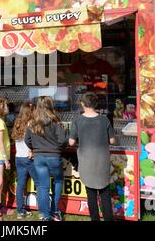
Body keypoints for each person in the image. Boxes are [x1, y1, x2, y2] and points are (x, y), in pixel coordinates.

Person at [68, 92, 116, 221]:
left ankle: (95, 218)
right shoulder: (104, 119)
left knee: (91, 193)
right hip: (102, 161)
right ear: (96, 104)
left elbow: (71, 142)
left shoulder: (78, 120)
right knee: (105, 192)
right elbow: (112, 141)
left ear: (82, 104)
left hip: (86, 161)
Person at [25, 96, 68, 221]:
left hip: (39, 157)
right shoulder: (56, 121)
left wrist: (35, 148)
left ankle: (45, 215)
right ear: (51, 105)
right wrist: (57, 148)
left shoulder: (32, 122)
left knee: (43, 187)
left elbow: (27, 140)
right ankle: (55, 211)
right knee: (58, 181)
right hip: (54, 156)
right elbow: (63, 140)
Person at [11, 102, 39, 219]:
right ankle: (43, 209)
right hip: (29, 157)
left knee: (21, 184)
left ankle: (20, 211)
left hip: (19, 157)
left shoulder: (17, 122)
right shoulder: (31, 124)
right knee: (39, 183)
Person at [59, 51, 124, 93]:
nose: (82, 58)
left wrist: (119, 84)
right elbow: (66, 70)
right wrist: (61, 72)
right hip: (87, 96)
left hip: (101, 95)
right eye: (81, 56)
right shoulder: (80, 64)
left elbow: (115, 77)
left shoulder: (103, 64)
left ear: (91, 53)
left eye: (84, 56)